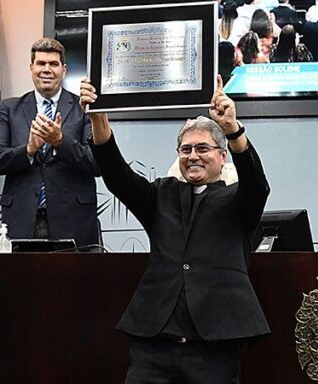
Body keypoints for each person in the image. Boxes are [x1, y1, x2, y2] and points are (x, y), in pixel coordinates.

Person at [79, 75, 270, 384]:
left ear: (222, 157)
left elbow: (256, 182)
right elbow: (116, 176)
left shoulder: (238, 200)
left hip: (212, 350)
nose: (192, 155)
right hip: (153, 347)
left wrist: (233, 129)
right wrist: (98, 118)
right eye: (185, 149)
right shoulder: (160, 195)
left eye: (202, 148)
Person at [0, 38, 98, 250]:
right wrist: (27, 151)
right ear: (31, 68)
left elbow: (97, 163)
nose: (47, 69)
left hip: (73, 223)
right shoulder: (10, 108)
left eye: (53, 64)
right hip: (21, 222)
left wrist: (60, 142)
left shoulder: (83, 107)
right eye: (41, 63)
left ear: (63, 70)